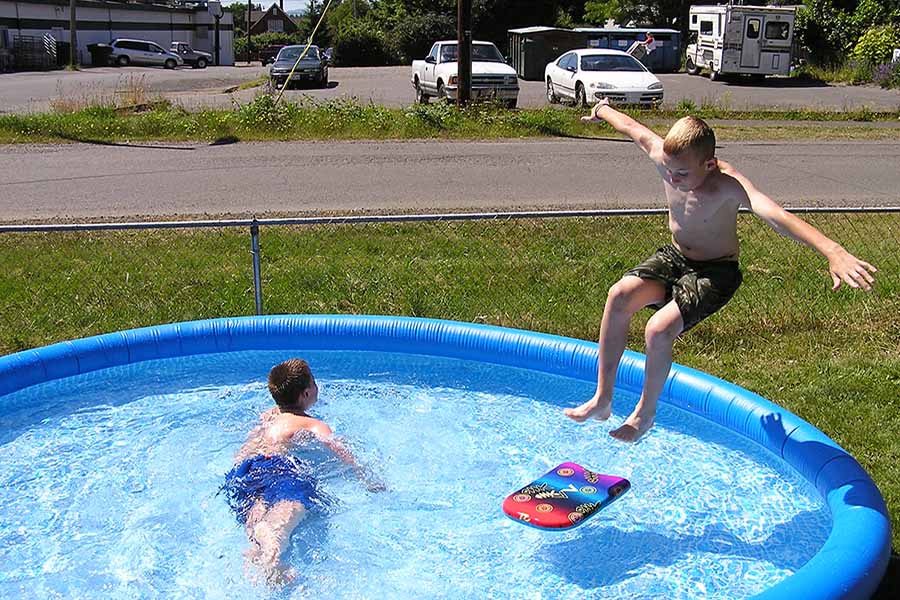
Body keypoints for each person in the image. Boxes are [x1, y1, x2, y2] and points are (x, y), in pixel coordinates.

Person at [564, 101, 877, 443]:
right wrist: (602, 110)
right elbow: (634, 130)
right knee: (618, 295)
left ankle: (644, 414)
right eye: (669, 170)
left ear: (709, 164)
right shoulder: (667, 159)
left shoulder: (728, 185)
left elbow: (777, 216)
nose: (673, 178)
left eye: (682, 174)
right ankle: (603, 399)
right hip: (677, 257)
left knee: (657, 330)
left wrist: (833, 250)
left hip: (715, 272)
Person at [221, 358, 383, 585]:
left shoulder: (269, 417)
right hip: (278, 468)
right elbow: (343, 453)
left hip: (244, 470)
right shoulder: (311, 424)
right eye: (314, 383)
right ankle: (272, 544)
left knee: (256, 514)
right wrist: (367, 477)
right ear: (306, 394)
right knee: (291, 508)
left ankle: (257, 560)